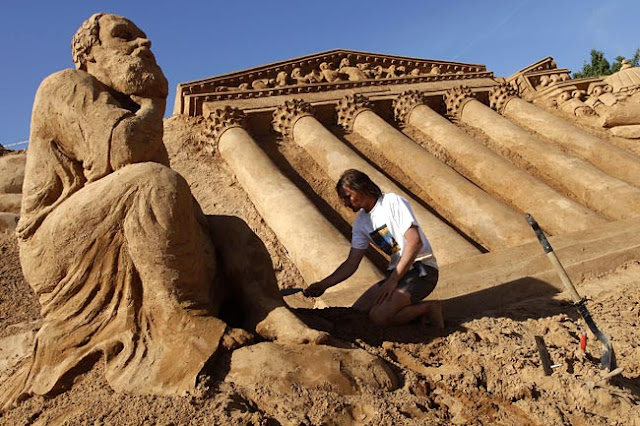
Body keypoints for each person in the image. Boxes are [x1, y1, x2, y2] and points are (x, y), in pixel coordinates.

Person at [2, 13, 326, 410]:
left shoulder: (128, 105)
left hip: (109, 211)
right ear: (90, 55)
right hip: (52, 246)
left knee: (229, 229)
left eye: (142, 37)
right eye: (124, 37)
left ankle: (266, 309)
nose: (144, 44)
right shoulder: (67, 86)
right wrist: (155, 102)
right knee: (153, 182)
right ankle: (180, 320)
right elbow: (124, 154)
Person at [304, 169, 443, 327]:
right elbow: (352, 263)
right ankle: (411, 315)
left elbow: (415, 242)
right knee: (357, 313)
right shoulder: (360, 223)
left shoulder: (392, 202)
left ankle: (428, 308)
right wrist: (323, 285)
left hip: (422, 270)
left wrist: (392, 281)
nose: (345, 204)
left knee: (378, 317)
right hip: (397, 275)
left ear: (361, 189)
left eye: (348, 197)